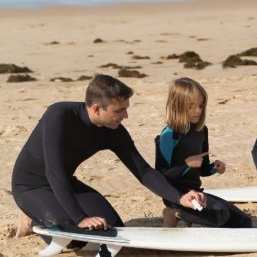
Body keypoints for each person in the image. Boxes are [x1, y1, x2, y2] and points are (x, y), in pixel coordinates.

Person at [11, 74, 205, 243]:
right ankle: (32, 215)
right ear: (96, 109)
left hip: (65, 183)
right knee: (75, 237)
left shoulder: (114, 131)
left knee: (113, 229)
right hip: (31, 185)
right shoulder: (59, 116)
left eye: (126, 108)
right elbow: (54, 171)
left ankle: (51, 211)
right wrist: (80, 218)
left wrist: (180, 198)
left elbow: (144, 172)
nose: (126, 115)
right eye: (119, 110)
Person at [155, 77, 252, 228]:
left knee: (243, 220)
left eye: (201, 105)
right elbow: (160, 176)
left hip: (196, 193)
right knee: (222, 217)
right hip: (176, 196)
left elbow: (204, 169)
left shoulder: (202, 130)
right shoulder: (169, 135)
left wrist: (215, 167)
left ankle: (189, 215)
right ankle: (173, 212)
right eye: (191, 106)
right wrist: (186, 164)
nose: (198, 111)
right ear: (177, 106)